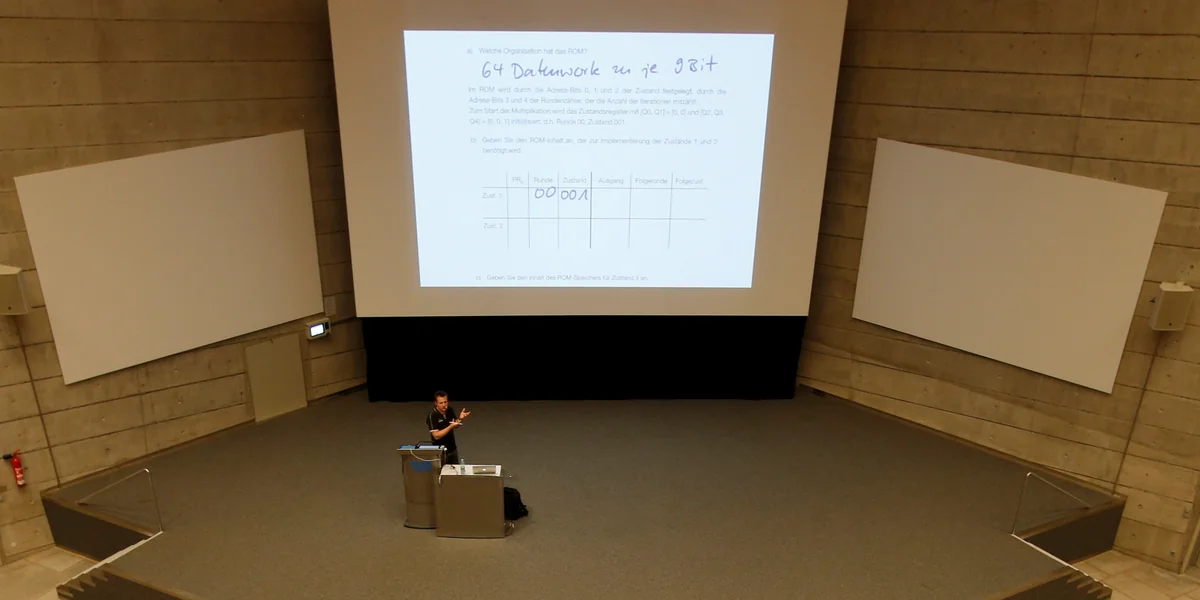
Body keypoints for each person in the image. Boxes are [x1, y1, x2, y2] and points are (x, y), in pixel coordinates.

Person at [426, 390, 470, 465]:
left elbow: (455, 424)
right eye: (441, 403)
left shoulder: (449, 410)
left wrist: (460, 418)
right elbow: (436, 435)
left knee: (455, 470)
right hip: (440, 452)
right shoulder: (432, 416)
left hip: (452, 449)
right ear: (436, 403)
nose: (444, 405)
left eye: (445, 402)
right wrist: (450, 426)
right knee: (441, 471)